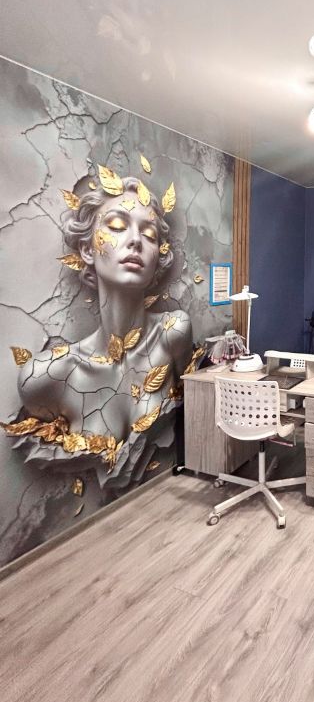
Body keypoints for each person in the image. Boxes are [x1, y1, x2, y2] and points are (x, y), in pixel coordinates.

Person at [9, 173, 193, 486]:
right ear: (87, 250)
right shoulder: (46, 377)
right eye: (117, 226)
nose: (135, 240)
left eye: (149, 234)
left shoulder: (173, 333)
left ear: (157, 260)